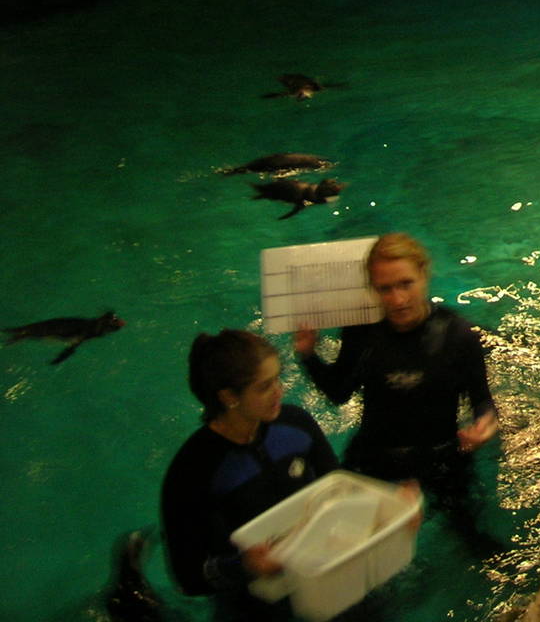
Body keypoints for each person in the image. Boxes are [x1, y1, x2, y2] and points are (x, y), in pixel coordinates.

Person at [294, 233, 498, 504]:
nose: (398, 299)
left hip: (441, 457)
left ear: (424, 275)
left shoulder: (457, 334)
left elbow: (481, 399)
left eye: (406, 284)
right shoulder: (362, 332)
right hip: (374, 457)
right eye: (385, 289)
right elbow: (339, 392)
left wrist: (485, 425)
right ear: (373, 288)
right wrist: (309, 355)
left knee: (471, 537)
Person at [161, 329, 337, 611]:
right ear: (229, 396)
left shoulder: (296, 425)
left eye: (277, 379)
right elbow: (189, 578)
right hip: (253, 602)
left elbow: (340, 491)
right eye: (265, 386)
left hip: (322, 573)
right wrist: (243, 566)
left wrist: (387, 512)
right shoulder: (194, 470)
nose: (280, 391)